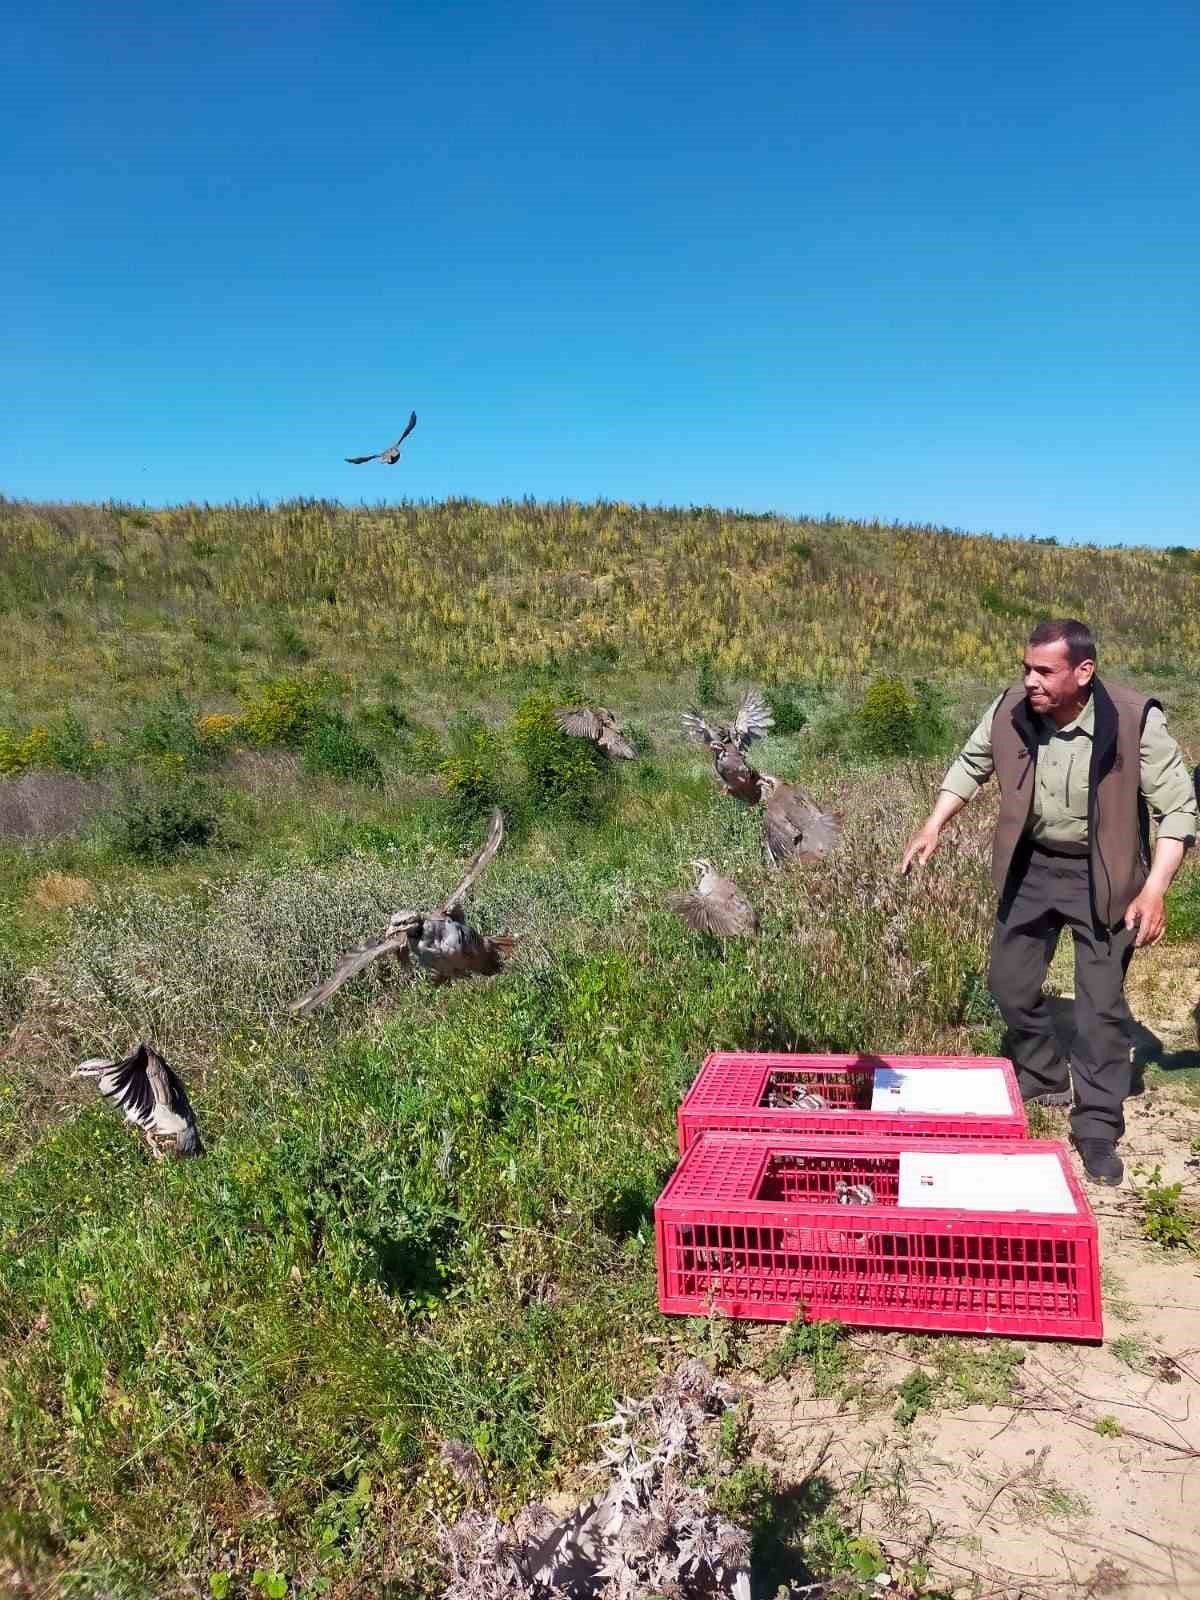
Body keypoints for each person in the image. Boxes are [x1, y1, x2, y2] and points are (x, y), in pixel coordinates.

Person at [900, 619, 1197, 1186]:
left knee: (1101, 1009)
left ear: (1083, 672)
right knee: (1008, 986)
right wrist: (934, 824)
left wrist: (1155, 888)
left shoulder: (1134, 719)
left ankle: (1097, 1125)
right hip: (1032, 865)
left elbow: (1178, 810)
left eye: (1044, 670)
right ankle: (1043, 1077)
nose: (1030, 680)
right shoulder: (1013, 707)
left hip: (1105, 873)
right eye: (1026, 668)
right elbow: (972, 763)